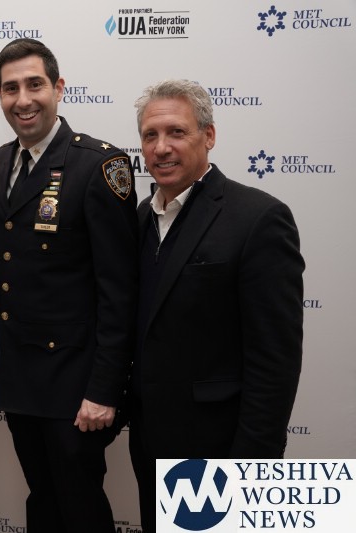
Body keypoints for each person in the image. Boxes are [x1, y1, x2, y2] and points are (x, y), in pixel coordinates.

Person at [129, 79, 304, 532]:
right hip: (150, 443)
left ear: (208, 136)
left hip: (221, 450)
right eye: (150, 135)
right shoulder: (139, 218)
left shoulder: (258, 218)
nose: (161, 148)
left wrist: (250, 468)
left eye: (176, 132)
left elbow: (275, 361)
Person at [0, 39, 138, 533]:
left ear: (58, 88)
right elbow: (7, 255)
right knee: (43, 503)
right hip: (21, 377)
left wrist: (104, 389)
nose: (23, 99)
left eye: (34, 84)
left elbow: (119, 291)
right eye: (10, 88)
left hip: (76, 385)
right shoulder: (0, 162)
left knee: (80, 508)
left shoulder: (99, 166)